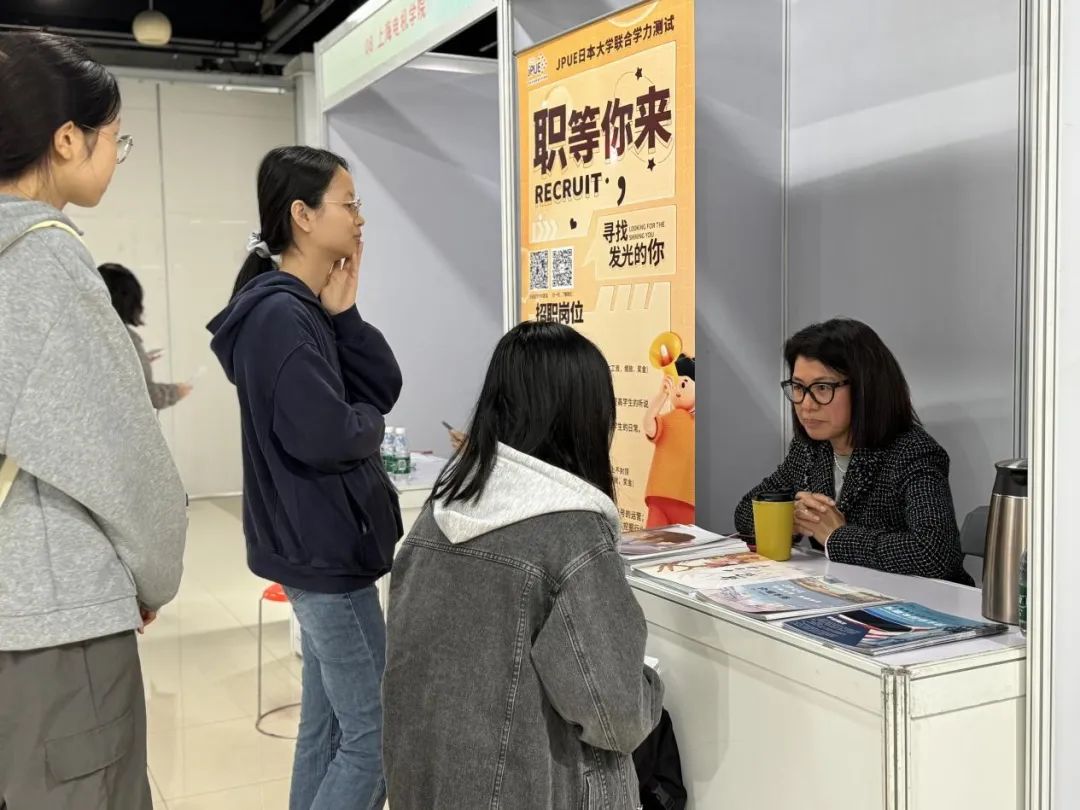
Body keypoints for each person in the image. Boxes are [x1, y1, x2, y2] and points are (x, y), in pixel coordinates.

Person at [0, 32, 188, 810]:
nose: (116, 152)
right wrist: (151, 576)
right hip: (51, 621)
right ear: (67, 139)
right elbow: (123, 459)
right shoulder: (43, 261)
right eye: (115, 135)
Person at [383, 320, 664, 810]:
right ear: (584, 418)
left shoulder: (440, 513)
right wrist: (651, 688)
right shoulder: (571, 535)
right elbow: (617, 716)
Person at [207, 146, 402, 810]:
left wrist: (346, 317)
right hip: (324, 552)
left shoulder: (306, 309)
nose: (359, 218)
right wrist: (368, 422)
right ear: (303, 215)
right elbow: (329, 433)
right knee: (376, 739)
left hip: (322, 546)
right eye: (349, 204)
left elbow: (382, 386)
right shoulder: (278, 317)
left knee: (328, 729)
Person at [734, 318, 972, 584]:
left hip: (922, 599)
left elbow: (936, 553)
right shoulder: (811, 447)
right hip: (843, 591)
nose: (806, 405)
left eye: (822, 388)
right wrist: (787, 518)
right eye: (799, 387)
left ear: (865, 389)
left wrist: (837, 537)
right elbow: (744, 512)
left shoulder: (912, 451)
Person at [99, 262, 193, 410]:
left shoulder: (90, 336)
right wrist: (176, 392)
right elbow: (145, 395)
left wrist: (140, 360)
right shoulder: (124, 339)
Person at [643, 354, 696, 528]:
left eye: (683, 384)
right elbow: (649, 426)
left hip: (687, 499)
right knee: (654, 541)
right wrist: (661, 395)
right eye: (674, 385)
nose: (677, 391)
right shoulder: (667, 420)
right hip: (660, 496)